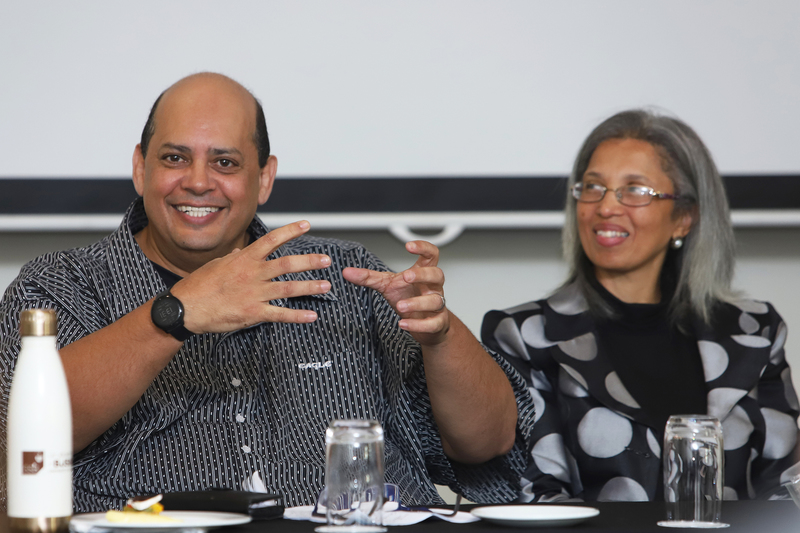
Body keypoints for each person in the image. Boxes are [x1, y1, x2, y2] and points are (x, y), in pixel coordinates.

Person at [0, 72, 533, 512]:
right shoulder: (58, 286)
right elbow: (22, 444)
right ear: (140, 167)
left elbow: (487, 444)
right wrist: (176, 313)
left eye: (226, 162)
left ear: (264, 178)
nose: (199, 182)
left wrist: (441, 337)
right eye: (175, 158)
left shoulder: (347, 274)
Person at [482, 109, 800, 502]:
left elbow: (785, 491)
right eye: (593, 187)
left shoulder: (755, 331)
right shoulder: (525, 334)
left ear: (684, 217)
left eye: (635, 190)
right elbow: (536, 493)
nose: (606, 207)